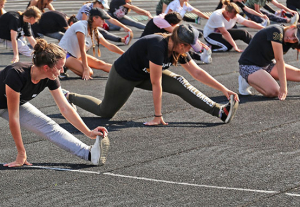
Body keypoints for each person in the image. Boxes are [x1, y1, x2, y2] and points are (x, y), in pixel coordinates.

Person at [64, 24, 239, 126]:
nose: (190, 51)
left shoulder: (178, 48)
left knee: (179, 82)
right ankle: (69, 96)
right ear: (181, 44)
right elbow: (156, 83)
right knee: (105, 112)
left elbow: (197, 72)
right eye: (189, 47)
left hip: (144, 73)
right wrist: (157, 116)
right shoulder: (157, 46)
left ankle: (220, 111)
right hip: (124, 75)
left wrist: (224, 89)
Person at [237, 24, 300, 98]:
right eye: (293, 35)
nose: (291, 39)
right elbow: (279, 60)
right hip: (249, 65)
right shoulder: (276, 31)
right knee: (274, 92)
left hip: (267, 64)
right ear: (292, 27)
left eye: (295, 39)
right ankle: (246, 80)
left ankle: (263, 76)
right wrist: (284, 87)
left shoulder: (290, 39)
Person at [59, 8, 125, 79]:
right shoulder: (80, 26)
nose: (104, 21)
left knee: (100, 64)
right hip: (63, 55)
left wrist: (125, 54)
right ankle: (63, 66)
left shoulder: (94, 30)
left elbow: (109, 46)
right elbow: (82, 50)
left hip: (76, 55)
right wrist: (85, 68)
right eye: (102, 19)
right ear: (94, 18)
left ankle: (126, 72)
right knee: (89, 72)